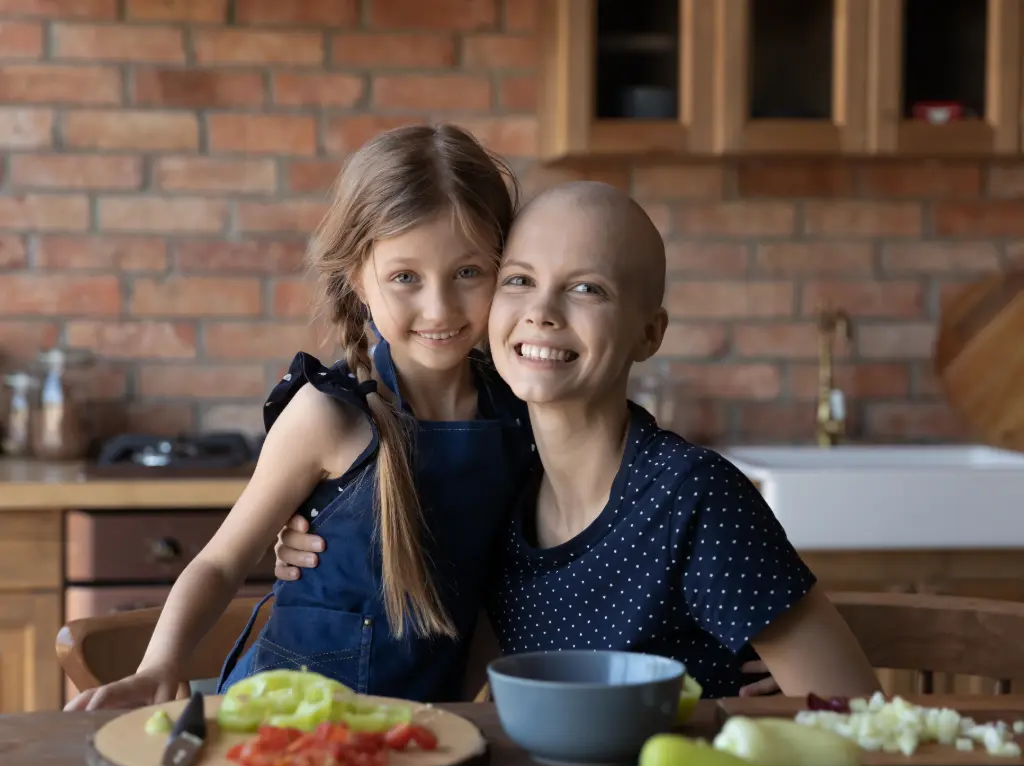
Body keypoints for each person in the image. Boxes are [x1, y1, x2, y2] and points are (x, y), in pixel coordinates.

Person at [277, 181, 882, 700]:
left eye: (586, 288)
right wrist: (330, 533)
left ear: (649, 334)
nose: (542, 311)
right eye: (518, 280)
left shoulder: (692, 498)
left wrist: (774, 711)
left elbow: (851, 714)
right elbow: (455, 699)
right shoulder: (504, 497)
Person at [64, 123, 534, 711]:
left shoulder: (521, 418)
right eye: (405, 278)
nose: (438, 307)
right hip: (282, 728)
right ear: (358, 280)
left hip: (423, 734)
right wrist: (160, 666)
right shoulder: (328, 415)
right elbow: (220, 560)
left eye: (468, 272)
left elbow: (496, 597)